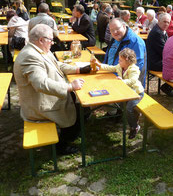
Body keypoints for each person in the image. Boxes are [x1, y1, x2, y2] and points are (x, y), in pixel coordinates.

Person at [14, 24, 91, 155]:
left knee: (81, 103)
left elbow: (56, 65)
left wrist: (78, 69)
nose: (52, 42)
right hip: (40, 106)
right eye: (50, 39)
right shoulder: (30, 56)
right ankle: (62, 145)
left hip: (44, 97)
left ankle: (70, 133)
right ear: (41, 40)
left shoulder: (39, 49)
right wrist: (70, 86)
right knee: (81, 109)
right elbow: (41, 84)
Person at [96, 48, 144, 139]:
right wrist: (100, 65)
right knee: (122, 106)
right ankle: (134, 114)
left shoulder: (134, 69)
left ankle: (134, 127)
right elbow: (111, 68)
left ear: (127, 60)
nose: (119, 61)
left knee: (128, 109)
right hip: (126, 92)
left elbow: (133, 81)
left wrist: (123, 81)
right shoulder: (120, 66)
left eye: (120, 60)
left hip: (136, 93)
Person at [104, 18, 147, 86]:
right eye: (112, 30)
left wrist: (119, 79)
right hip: (109, 76)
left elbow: (137, 67)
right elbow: (108, 57)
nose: (115, 32)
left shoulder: (136, 42)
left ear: (124, 26)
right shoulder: (115, 39)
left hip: (126, 83)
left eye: (117, 28)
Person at [146, 13, 173, 96]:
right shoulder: (157, 33)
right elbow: (165, 51)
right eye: (164, 21)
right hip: (154, 63)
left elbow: (168, 47)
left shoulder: (161, 31)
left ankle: (168, 86)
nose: (166, 24)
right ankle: (167, 87)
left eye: (168, 22)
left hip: (157, 60)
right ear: (158, 21)